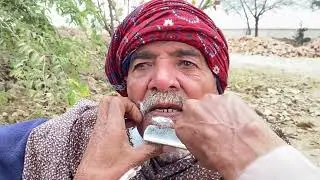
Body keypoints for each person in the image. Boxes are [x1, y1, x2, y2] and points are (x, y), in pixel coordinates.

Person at [0, 0, 319, 180]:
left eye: (186, 63)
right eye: (141, 65)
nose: (162, 80)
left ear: (218, 88)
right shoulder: (67, 138)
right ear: (124, 91)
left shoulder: (260, 151)